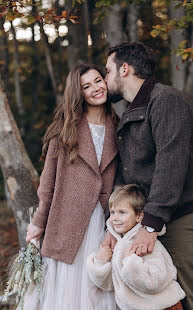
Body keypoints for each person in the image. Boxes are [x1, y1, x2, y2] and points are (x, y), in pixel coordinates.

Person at [103, 42, 193, 310]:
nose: (105, 79)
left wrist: (150, 225)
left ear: (124, 69)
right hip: (157, 222)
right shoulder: (132, 112)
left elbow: (171, 165)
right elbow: (128, 175)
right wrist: (115, 225)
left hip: (183, 218)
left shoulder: (166, 101)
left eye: (107, 71)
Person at [24, 63, 119, 310]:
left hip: (104, 220)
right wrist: (38, 222)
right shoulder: (65, 130)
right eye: (87, 86)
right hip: (67, 221)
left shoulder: (119, 126)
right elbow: (48, 183)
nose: (96, 88)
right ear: (79, 94)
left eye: (98, 80)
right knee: (69, 287)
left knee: (97, 283)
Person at [87, 184, 185, 310]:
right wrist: (100, 262)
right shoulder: (118, 244)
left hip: (163, 307)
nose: (115, 218)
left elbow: (155, 282)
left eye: (122, 212)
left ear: (139, 216)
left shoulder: (146, 244)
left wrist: (131, 263)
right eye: (112, 212)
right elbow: (110, 285)